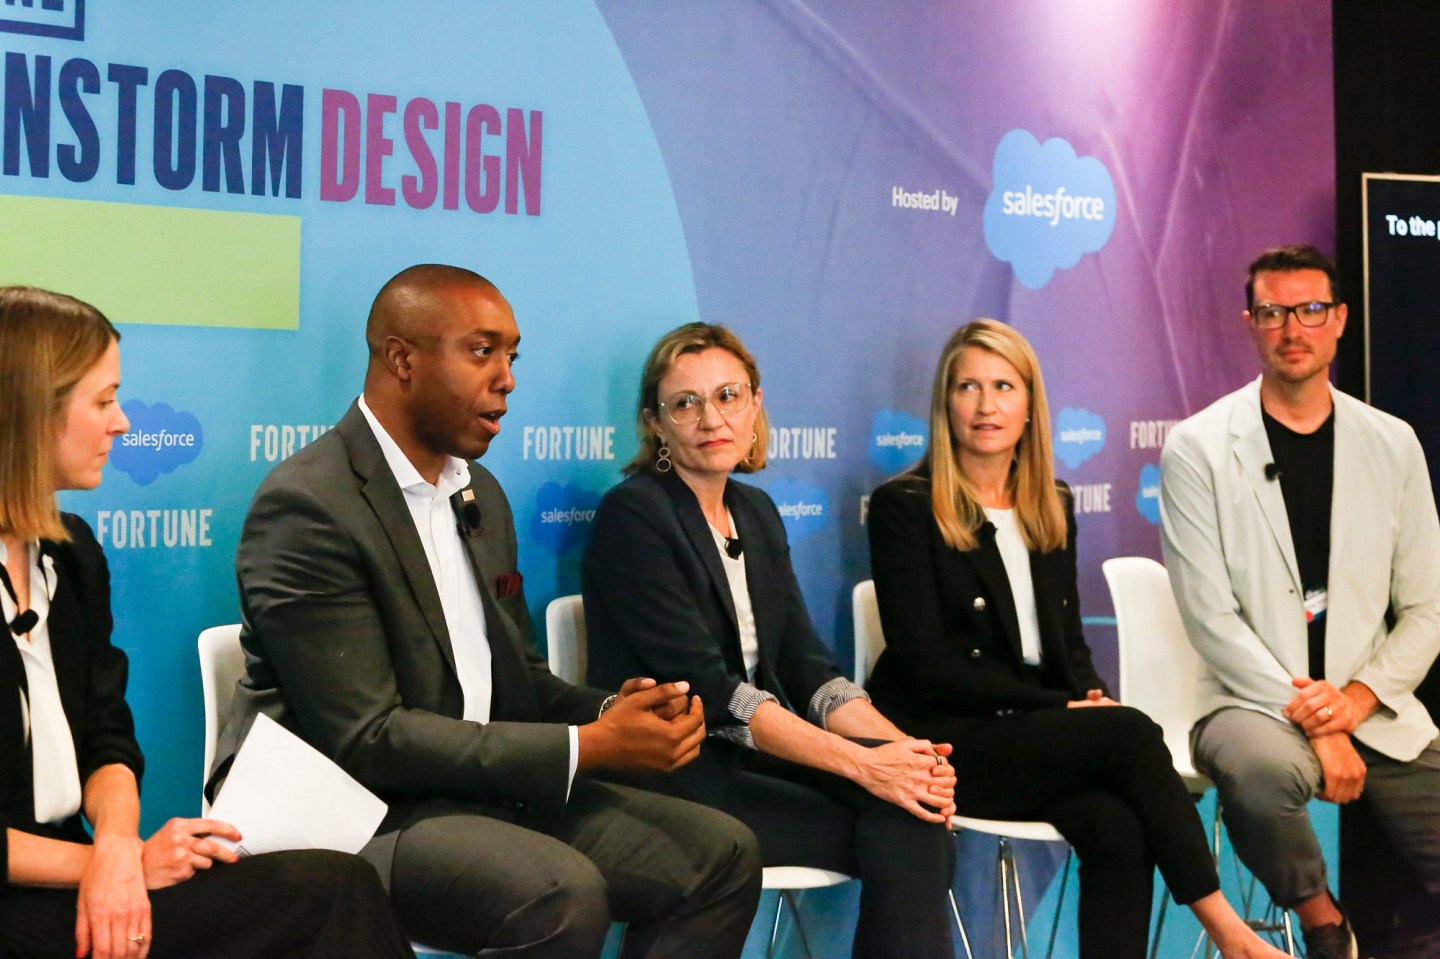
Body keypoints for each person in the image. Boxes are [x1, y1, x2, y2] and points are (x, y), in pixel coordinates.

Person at [208, 266, 761, 959]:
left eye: (512, 355)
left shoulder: (481, 494)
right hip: (355, 813)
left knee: (719, 852)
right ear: (401, 359)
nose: (507, 378)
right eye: (482, 351)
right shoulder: (310, 504)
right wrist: (586, 748)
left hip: (478, 792)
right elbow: (365, 737)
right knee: (559, 891)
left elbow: (517, 678)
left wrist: (613, 713)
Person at [0, 286, 415, 959]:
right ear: (27, 414)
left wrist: (114, 848)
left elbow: (108, 739)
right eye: (102, 401)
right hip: (26, 898)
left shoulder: (70, 555)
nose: (123, 423)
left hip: (82, 874)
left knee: (336, 884)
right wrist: (111, 866)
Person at [865, 319, 1293, 959]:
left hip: (1031, 735)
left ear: (1029, 404)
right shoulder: (905, 505)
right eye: (968, 387)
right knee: (1127, 731)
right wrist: (1064, 711)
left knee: (1117, 827)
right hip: (942, 742)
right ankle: (1229, 932)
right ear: (944, 403)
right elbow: (926, 666)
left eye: (1003, 386)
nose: (986, 406)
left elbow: (1067, 647)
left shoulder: (1050, 502)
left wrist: (1086, 693)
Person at [583, 322, 958, 959]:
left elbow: (807, 666)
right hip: (676, 770)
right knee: (907, 826)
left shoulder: (755, 511)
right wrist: (864, 764)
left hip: (761, 760)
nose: (710, 417)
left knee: (914, 808)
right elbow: (713, 690)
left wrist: (907, 754)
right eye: (686, 403)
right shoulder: (635, 515)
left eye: (728, 396)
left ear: (755, 404)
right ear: (657, 425)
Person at [1160, 244, 1440, 959]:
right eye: (1274, 312)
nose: (1293, 328)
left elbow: (1427, 612)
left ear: (1340, 320)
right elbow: (1210, 618)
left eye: (1311, 310)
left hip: (1370, 702)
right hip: (1248, 701)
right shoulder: (1197, 447)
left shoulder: (1393, 443)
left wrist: (1351, 703)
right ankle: (1324, 923)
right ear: (1250, 323)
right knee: (1257, 777)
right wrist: (1320, 721)